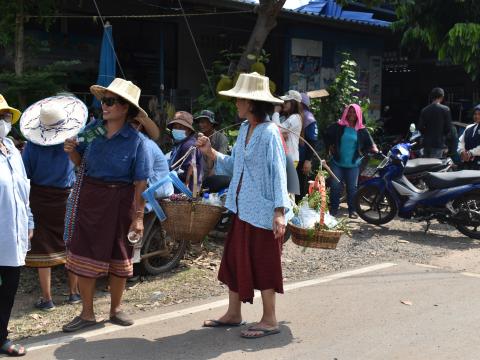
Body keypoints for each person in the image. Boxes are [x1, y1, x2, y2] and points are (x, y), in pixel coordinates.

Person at [197, 72, 292, 339]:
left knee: (264, 263)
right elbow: (235, 164)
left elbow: (278, 173)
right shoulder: (244, 129)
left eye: (239, 98)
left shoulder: (270, 133)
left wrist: (279, 211)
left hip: (263, 212)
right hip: (241, 208)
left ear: (250, 102)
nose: (235, 103)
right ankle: (234, 313)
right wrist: (210, 153)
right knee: (234, 260)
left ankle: (270, 319)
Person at [62, 78, 156, 332]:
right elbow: (80, 163)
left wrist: (138, 217)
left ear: (125, 108)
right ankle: (87, 313)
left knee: (120, 254)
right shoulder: (94, 130)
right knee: (84, 253)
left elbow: (140, 183)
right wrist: (71, 150)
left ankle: (115, 309)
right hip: (90, 199)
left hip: (121, 201)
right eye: (104, 100)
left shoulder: (136, 141)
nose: (105, 106)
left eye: (111, 102)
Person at [20, 95, 87, 311]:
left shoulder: (31, 147)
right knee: (71, 243)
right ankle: (74, 294)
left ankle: (47, 299)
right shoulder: (72, 143)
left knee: (44, 248)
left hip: (39, 199)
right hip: (67, 197)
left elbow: (24, 175)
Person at [0, 95, 33, 357]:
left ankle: (1, 336)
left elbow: (24, 189)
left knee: (9, 289)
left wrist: (29, 220)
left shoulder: (12, 148)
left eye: (5, 116)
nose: (3, 121)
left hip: (13, 233)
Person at [325, 104, 378, 218]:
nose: (351, 114)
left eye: (354, 112)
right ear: (346, 113)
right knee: (335, 187)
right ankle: (334, 209)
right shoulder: (338, 126)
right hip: (337, 162)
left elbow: (370, 143)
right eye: (350, 112)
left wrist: (373, 149)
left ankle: (352, 211)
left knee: (352, 188)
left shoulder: (362, 130)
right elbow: (326, 134)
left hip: (353, 164)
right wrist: (330, 146)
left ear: (358, 114)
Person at [167, 111, 202, 191]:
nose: (177, 130)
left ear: (189, 130)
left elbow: (186, 173)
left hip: (185, 191)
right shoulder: (180, 143)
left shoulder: (189, 145)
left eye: (181, 127)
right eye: (175, 127)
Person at [418, 87, 453, 158]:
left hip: (426, 143)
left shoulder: (424, 110)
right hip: (438, 143)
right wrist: (442, 136)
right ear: (442, 97)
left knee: (425, 167)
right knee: (434, 167)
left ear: (431, 97)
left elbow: (420, 127)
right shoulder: (446, 109)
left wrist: (427, 134)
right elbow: (448, 128)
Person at [194, 110, 228, 179]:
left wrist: (210, 176)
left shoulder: (221, 138)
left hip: (216, 175)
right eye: (200, 122)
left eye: (203, 122)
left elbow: (221, 160)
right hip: (199, 175)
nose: (200, 124)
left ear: (211, 123)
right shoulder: (197, 137)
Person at [272, 90, 303, 167]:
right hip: (286, 157)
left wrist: (276, 112)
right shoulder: (287, 117)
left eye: (286, 102)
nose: (284, 104)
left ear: (293, 103)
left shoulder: (295, 118)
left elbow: (277, 128)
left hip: (290, 158)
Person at [297, 93, 318, 201]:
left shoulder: (308, 117)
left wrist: (308, 160)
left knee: (299, 189)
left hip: (301, 158)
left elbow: (312, 141)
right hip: (293, 157)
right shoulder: (295, 115)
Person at [458, 104, 480, 169]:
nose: (476, 116)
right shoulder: (469, 127)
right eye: (475, 114)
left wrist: (470, 153)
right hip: (467, 162)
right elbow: (461, 142)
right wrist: (461, 151)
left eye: (479, 114)